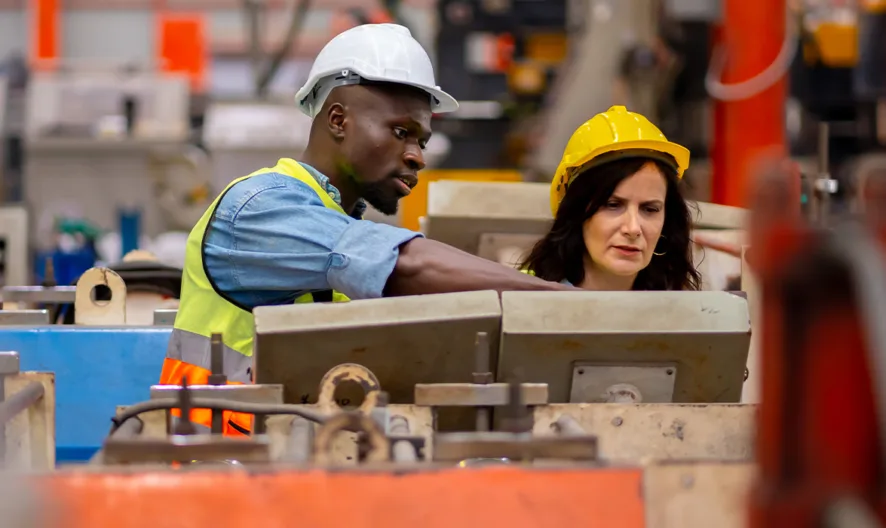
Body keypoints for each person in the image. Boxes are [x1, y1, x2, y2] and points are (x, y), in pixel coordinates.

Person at [160, 23, 575, 436]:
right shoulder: (257, 208)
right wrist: (566, 301)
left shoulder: (333, 220)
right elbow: (406, 263)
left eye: (422, 142)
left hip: (273, 465)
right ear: (338, 120)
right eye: (401, 133)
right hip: (210, 467)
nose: (417, 157)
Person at [520, 105, 701, 291]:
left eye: (650, 209)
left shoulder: (682, 311)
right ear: (575, 211)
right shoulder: (519, 302)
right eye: (612, 205)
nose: (633, 228)